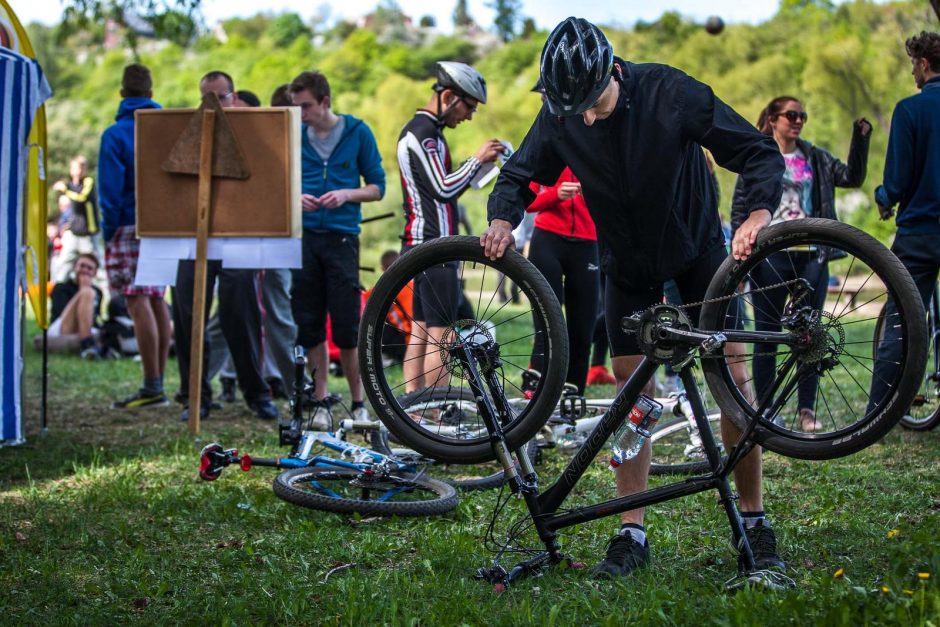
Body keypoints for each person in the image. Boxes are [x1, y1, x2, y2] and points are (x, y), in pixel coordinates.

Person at [481, 17, 786, 579]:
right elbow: (517, 176)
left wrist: (759, 214)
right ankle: (631, 531)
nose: (586, 117)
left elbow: (757, 153)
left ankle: (756, 520)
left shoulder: (670, 92)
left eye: (593, 102)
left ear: (612, 71)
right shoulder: (561, 111)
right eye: (574, 109)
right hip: (625, 262)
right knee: (632, 395)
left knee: (732, 383)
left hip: (697, 251)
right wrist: (502, 221)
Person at [733, 96, 871, 432]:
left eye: (802, 116)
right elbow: (740, 208)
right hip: (770, 254)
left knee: (811, 336)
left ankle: (807, 410)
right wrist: (738, 261)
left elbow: (852, 177)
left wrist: (861, 138)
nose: (797, 121)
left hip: (813, 254)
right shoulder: (760, 157)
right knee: (766, 334)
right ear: (773, 119)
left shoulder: (816, 158)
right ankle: (764, 409)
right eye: (791, 115)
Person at [172, 70, 279, 422]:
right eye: (207, 97)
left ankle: (256, 392)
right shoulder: (189, 134)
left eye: (220, 97)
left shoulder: (253, 134)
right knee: (188, 313)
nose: (213, 105)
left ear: (234, 97)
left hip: (240, 237)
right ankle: (195, 396)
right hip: (195, 237)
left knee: (241, 312)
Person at [397, 61, 505, 392]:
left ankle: (413, 410)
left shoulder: (426, 132)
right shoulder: (424, 133)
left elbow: (441, 187)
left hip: (419, 244)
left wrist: (479, 166)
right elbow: (442, 188)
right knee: (440, 335)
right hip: (433, 246)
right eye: (469, 107)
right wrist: (476, 158)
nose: (469, 116)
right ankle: (439, 409)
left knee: (420, 330)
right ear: (448, 97)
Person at [289, 70, 386, 428]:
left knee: (347, 325)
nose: (300, 114)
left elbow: (378, 187)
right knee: (310, 323)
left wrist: (347, 194)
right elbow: (280, 181)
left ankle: (359, 403)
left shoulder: (358, 132)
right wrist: (294, 197)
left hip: (343, 238)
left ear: (325, 102)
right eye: (296, 107)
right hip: (305, 238)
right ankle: (320, 403)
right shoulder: (295, 135)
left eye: (306, 106)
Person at [869, 31, 940, 414]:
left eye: (913, 64)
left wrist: (883, 199)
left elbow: (896, 181)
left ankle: (879, 412)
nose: (913, 71)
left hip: (920, 233)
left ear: (924, 64)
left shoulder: (910, 110)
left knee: (903, 320)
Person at [99, 63, 173, 409]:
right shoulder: (167, 130)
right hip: (163, 225)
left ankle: (151, 386)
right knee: (157, 299)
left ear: (121, 94)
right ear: (152, 94)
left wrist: (109, 230)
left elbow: (110, 193)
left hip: (128, 223)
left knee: (137, 300)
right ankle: (158, 383)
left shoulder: (115, 135)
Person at [43, 253, 105, 358]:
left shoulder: (98, 292)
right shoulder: (61, 288)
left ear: (95, 273)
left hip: (86, 328)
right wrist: (83, 290)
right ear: (74, 267)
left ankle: (88, 341)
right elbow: (60, 315)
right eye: (82, 266)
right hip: (61, 328)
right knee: (87, 292)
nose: (85, 270)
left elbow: (95, 318)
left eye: (89, 268)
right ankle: (87, 344)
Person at [52, 155, 101, 283]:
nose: (78, 171)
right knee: (63, 263)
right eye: (75, 168)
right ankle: (59, 291)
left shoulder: (88, 182)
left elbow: (81, 198)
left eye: (81, 168)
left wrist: (64, 190)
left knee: (95, 264)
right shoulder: (69, 185)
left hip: (88, 233)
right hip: (74, 232)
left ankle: (99, 293)